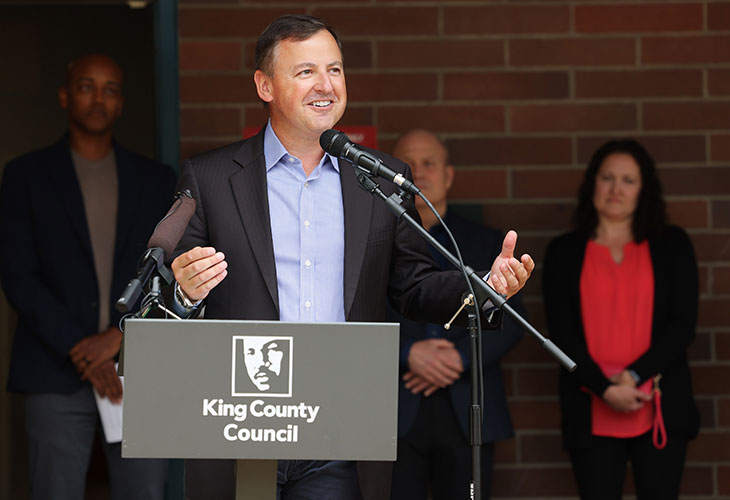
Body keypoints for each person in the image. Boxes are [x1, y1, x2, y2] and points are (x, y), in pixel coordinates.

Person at [170, 14, 534, 500]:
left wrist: (484, 286)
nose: (326, 85)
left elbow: (412, 286)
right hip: (246, 419)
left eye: (335, 70)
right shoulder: (211, 177)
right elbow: (163, 303)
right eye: (305, 72)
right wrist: (183, 289)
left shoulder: (383, 178)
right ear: (265, 85)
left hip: (338, 427)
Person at [0, 54, 176, 499]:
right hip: (55, 368)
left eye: (111, 89)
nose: (99, 98)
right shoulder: (25, 176)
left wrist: (119, 339)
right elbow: (19, 276)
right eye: (86, 86)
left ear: (121, 104)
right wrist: (83, 348)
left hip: (139, 368)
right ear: (64, 96)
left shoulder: (156, 180)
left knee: (145, 493)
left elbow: (171, 271)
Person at [542, 139, 700, 500]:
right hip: (591, 405)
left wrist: (632, 376)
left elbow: (683, 326)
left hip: (657, 403)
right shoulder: (564, 252)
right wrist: (605, 388)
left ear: (644, 188)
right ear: (592, 183)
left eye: (628, 180)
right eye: (607, 177)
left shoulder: (672, 245)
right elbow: (561, 334)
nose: (616, 189)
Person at [386, 130, 525, 500]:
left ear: (449, 175)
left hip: (469, 403)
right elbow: (355, 312)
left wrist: (458, 357)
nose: (421, 172)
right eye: (409, 165)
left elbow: (512, 320)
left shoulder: (487, 242)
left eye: (430, 163)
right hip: (394, 405)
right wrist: (407, 353)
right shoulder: (373, 241)